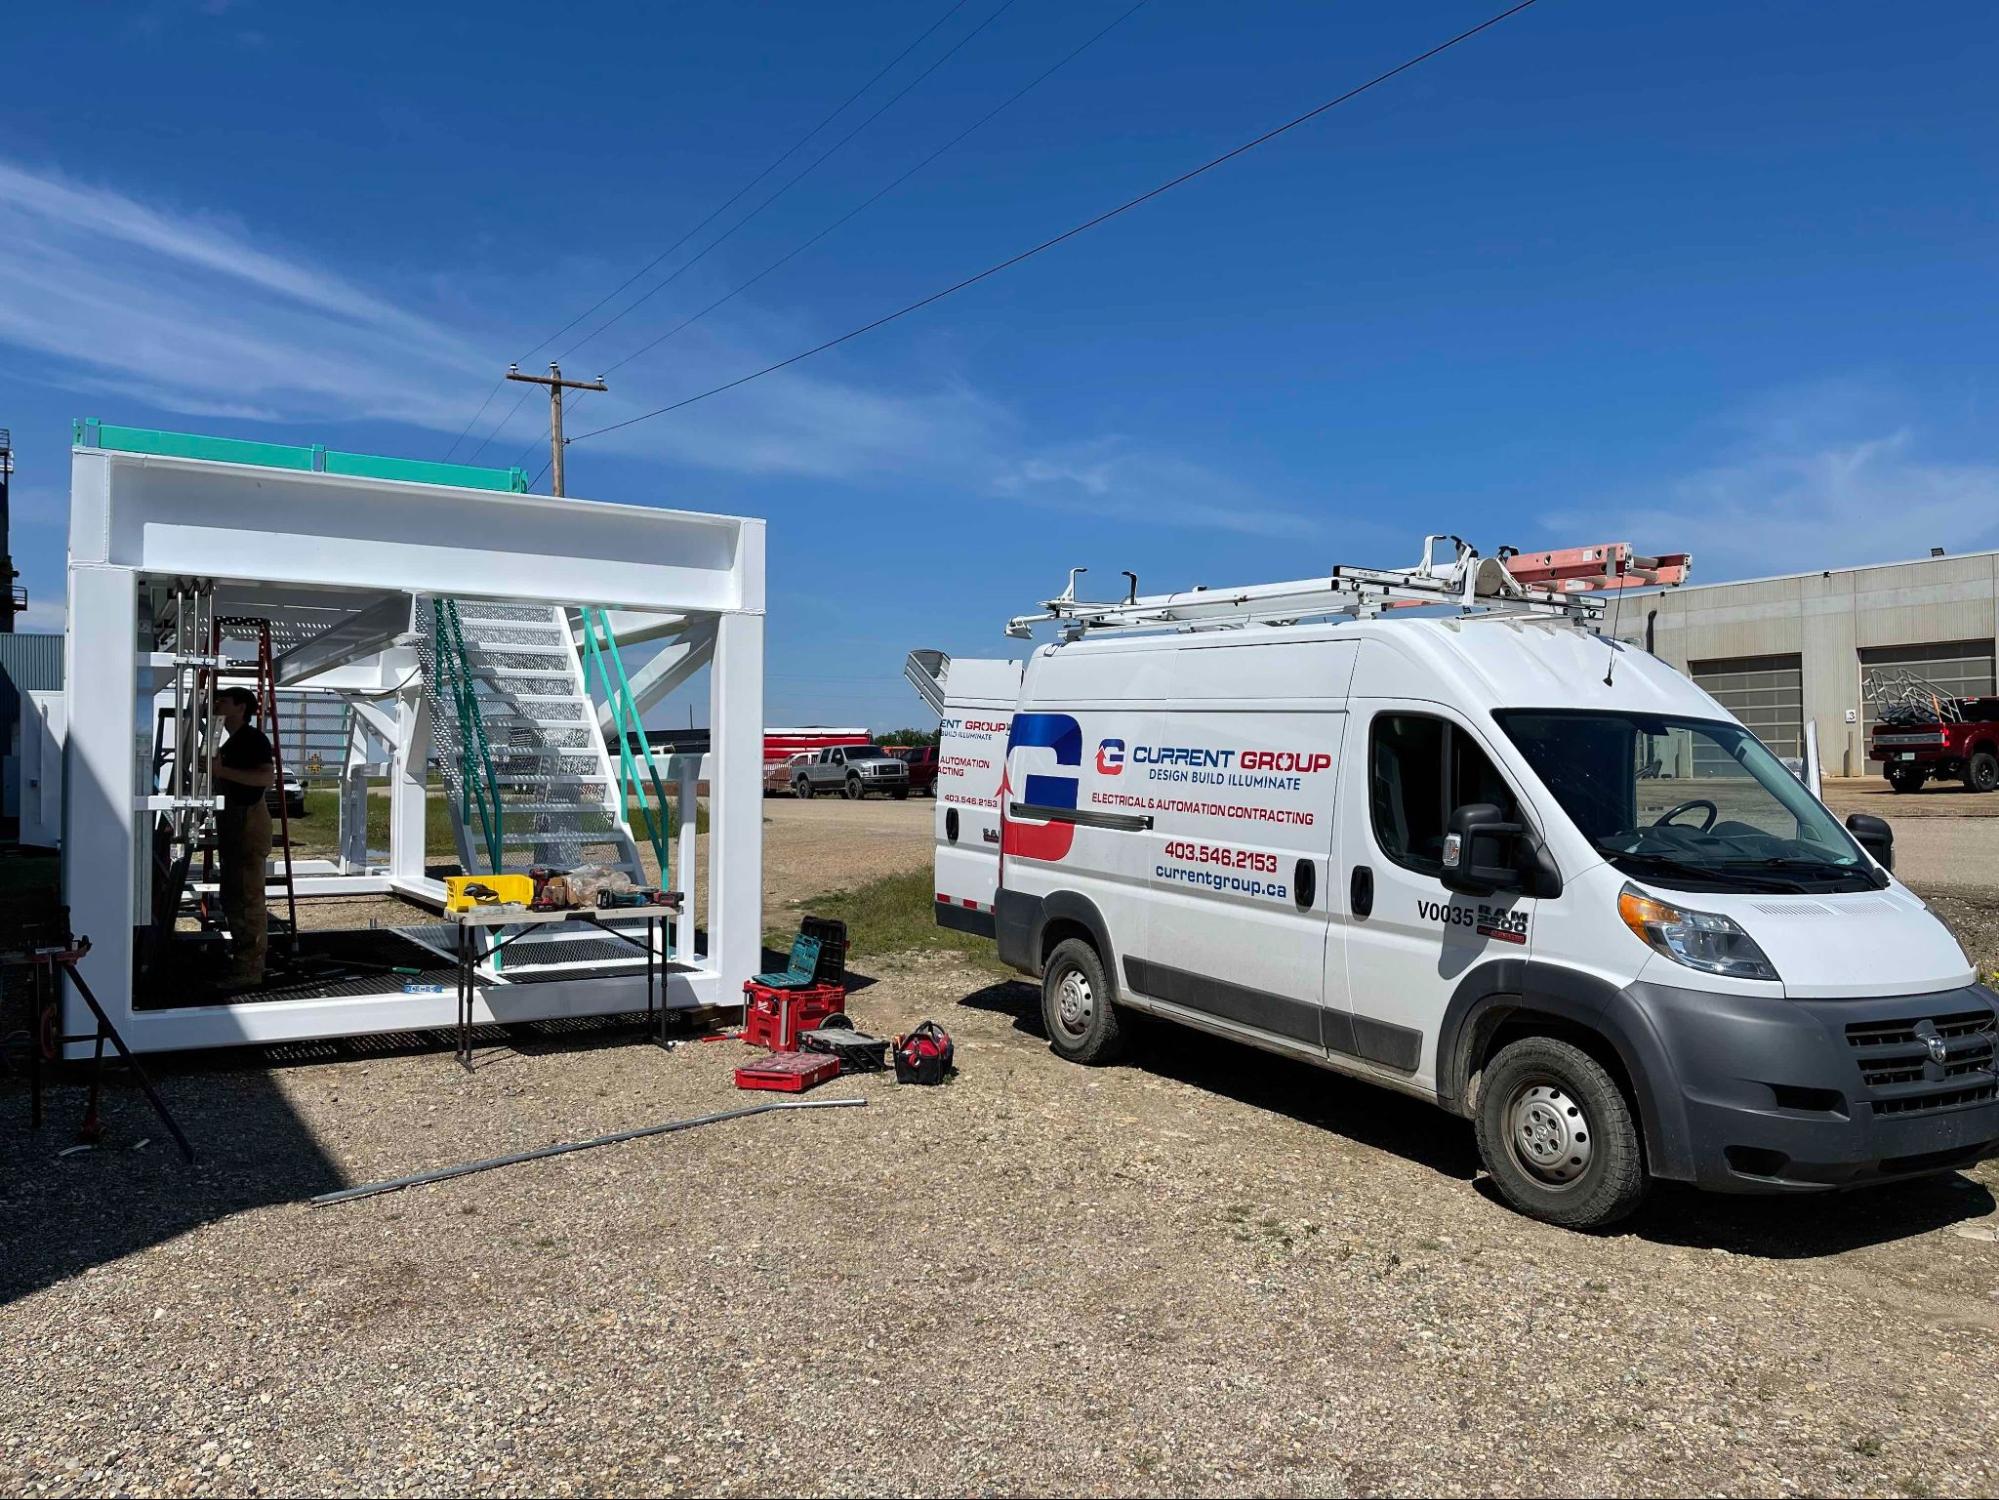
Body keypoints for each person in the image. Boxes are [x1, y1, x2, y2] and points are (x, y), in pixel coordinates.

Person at [211, 687, 275, 987]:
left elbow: (266, 778)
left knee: (248, 897)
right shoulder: (230, 740)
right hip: (233, 818)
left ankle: (250, 969)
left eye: (222, 700)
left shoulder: (252, 739)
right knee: (232, 894)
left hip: (249, 817)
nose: (216, 704)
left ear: (240, 707)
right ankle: (242, 960)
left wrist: (222, 772)